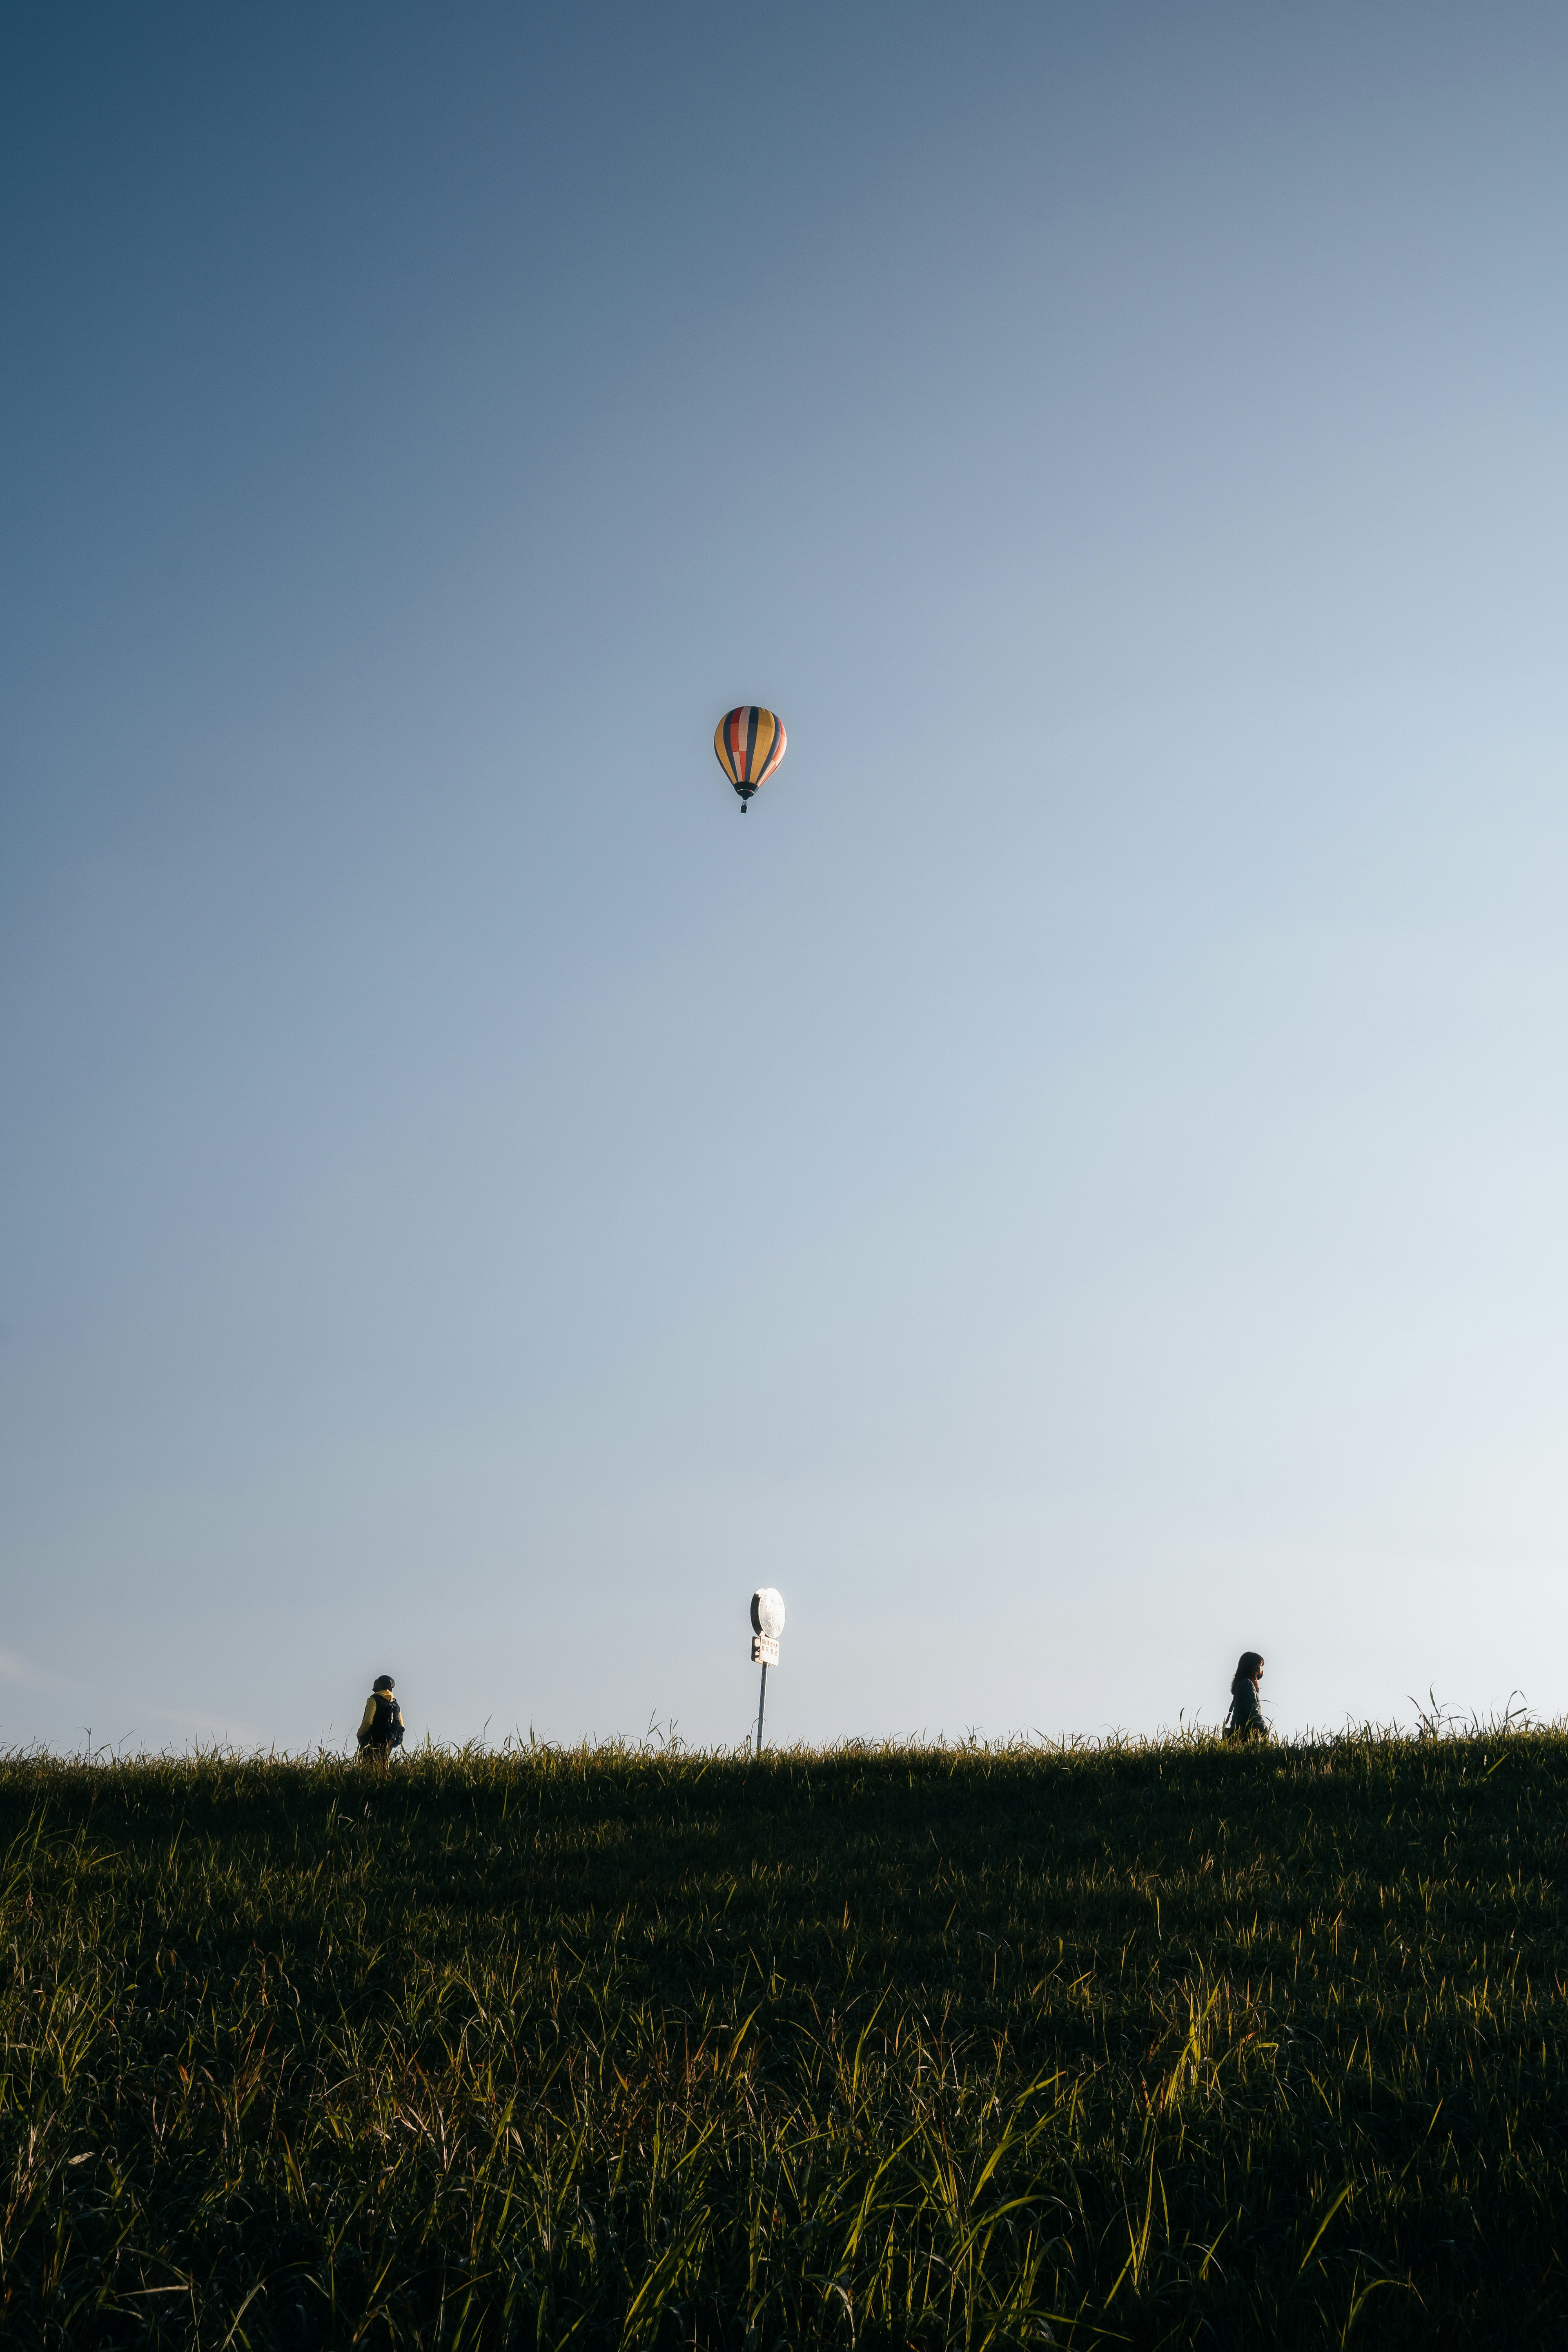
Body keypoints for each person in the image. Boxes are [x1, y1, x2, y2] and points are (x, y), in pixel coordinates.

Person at [356, 1674, 405, 1764]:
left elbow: (368, 1721)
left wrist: (360, 1734)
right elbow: (401, 1726)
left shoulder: (374, 1699)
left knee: (367, 1766)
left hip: (372, 1741)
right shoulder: (396, 1705)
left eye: (377, 1681)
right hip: (389, 1743)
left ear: (381, 1685)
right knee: (382, 1766)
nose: (374, 1683)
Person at [1224, 1652, 1267, 1740]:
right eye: (1261, 1665)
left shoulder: (1242, 1684)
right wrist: (1265, 1731)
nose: (1262, 1669)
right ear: (1254, 1667)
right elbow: (1253, 1713)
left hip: (1237, 1733)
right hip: (1244, 1736)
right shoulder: (1247, 1684)